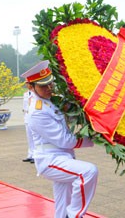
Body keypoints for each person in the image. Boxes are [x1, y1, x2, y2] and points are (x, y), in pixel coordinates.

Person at [22, 61, 98, 218]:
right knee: (88, 172)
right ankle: (75, 215)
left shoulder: (52, 99)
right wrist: (93, 139)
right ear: (31, 87)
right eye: (43, 86)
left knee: (62, 204)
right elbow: (65, 140)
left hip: (63, 157)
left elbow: (74, 110)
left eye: (50, 84)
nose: (49, 88)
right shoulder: (37, 112)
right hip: (50, 160)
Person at [22, 83, 35, 163]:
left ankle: (35, 155)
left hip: (33, 116)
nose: (27, 85)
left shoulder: (35, 94)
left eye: (28, 84)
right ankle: (30, 154)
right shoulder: (26, 94)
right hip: (27, 116)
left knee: (34, 137)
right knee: (29, 137)